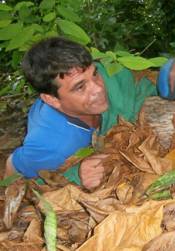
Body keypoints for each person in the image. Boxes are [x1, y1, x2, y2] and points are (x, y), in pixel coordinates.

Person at [3, 37, 158, 188]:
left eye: (94, 74)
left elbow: (145, 87)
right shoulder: (50, 146)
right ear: (52, 100)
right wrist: (76, 175)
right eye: (80, 87)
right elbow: (13, 168)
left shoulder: (106, 74)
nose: (98, 88)